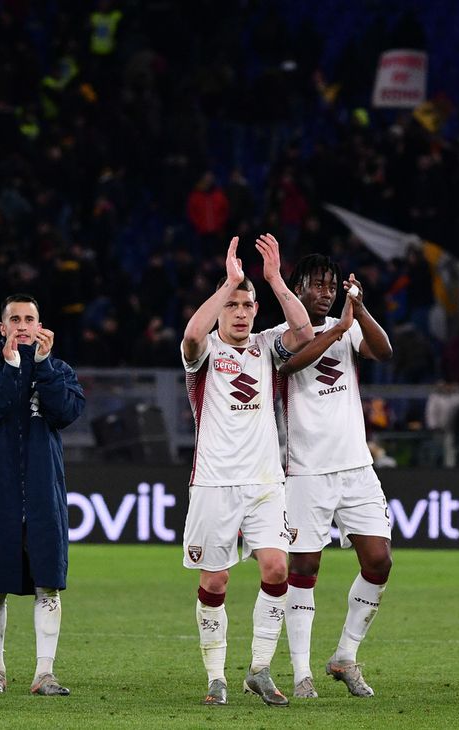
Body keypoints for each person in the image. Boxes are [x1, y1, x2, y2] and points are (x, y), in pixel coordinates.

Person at [180, 234, 313, 707]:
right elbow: (192, 335)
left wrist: (274, 279)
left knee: (278, 568)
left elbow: (304, 333)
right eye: (233, 304)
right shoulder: (206, 353)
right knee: (214, 581)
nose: (240, 312)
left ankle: (259, 668)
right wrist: (230, 282)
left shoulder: (265, 346)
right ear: (220, 309)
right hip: (214, 484)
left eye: (246, 305)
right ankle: (215, 676)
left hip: (264, 483)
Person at [269, 254, 394, 699]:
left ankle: (344, 655)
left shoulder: (350, 325)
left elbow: (383, 352)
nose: (324, 293)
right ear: (296, 288)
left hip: (357, 467)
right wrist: (338, 329)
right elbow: (289, 367)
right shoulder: (281, 336)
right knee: (304, 567)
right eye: (315, 285)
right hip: (305, 471)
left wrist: (358, 311)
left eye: (330, 286)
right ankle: (301, 673)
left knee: (379, 561)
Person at [0, 294, 85, 696]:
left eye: (30, 318)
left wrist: (42, 367)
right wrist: (11, 371)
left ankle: (44, 673)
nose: (23, 325)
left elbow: (65, 412)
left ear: (41, 325)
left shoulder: (58, 369)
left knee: (48, 583)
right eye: (15, 318)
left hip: (44, 496)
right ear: (2, 328)